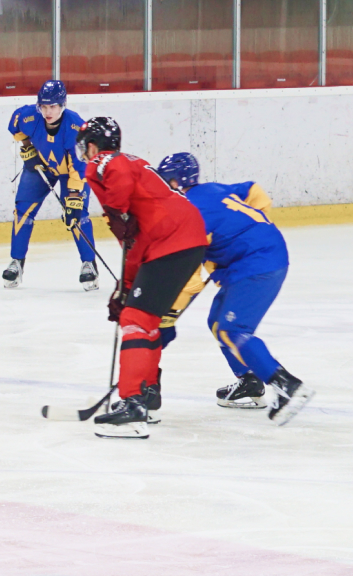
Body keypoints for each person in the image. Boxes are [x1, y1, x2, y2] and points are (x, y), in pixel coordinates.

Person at [156, 152, 312, 425]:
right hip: (259, 256)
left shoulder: (188, 212)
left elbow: (190, 278)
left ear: (174, 183)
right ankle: (250, 381)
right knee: (217, 321)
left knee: (233, 330)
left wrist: (167, 318)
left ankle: (288, 386)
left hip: (257, 265)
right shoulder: (212, 189)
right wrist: (248, 230)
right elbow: (255, 191)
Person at [78, 116, 209, 439]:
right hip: (184, 239)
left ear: (93, 145)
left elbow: (116, 173)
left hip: (171, 240)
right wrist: (124, 289)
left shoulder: (105, 161)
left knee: (136, 319)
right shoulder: (134, 164)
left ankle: (133, 403)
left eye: (86, 147)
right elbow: (134, 246)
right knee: (145, 318)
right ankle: (145, 394)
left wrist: (116, 206)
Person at [4, 79, 98, 290]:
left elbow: (80, 166)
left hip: (71, 173)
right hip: (41, 167)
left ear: (62, 105)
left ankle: (89, 264)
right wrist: (28, 148)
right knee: (23, 211)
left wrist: (74, 196)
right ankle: (17, 263)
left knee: (77, 215)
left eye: (53, 106)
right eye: (44, 106)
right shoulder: (29, 115)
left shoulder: (75, 127)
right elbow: (14, 124)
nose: (48, 111)